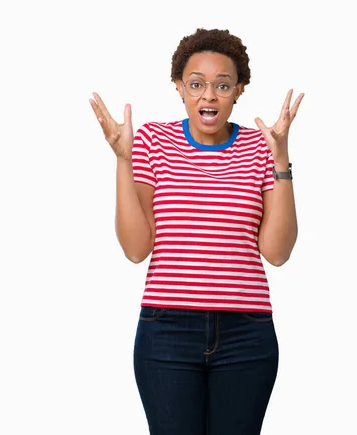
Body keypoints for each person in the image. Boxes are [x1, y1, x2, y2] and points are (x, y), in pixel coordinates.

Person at [89, 28, 303, 435]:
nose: (209, 95)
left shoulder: (261, 146)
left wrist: (282, 159)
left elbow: (277, 252)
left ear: (238, 90)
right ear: (179, 87)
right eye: (197, 84)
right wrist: (123, 161)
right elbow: (136, 249)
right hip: (166, 332)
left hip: (247, 334)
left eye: (222, 85)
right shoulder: (152, 140)